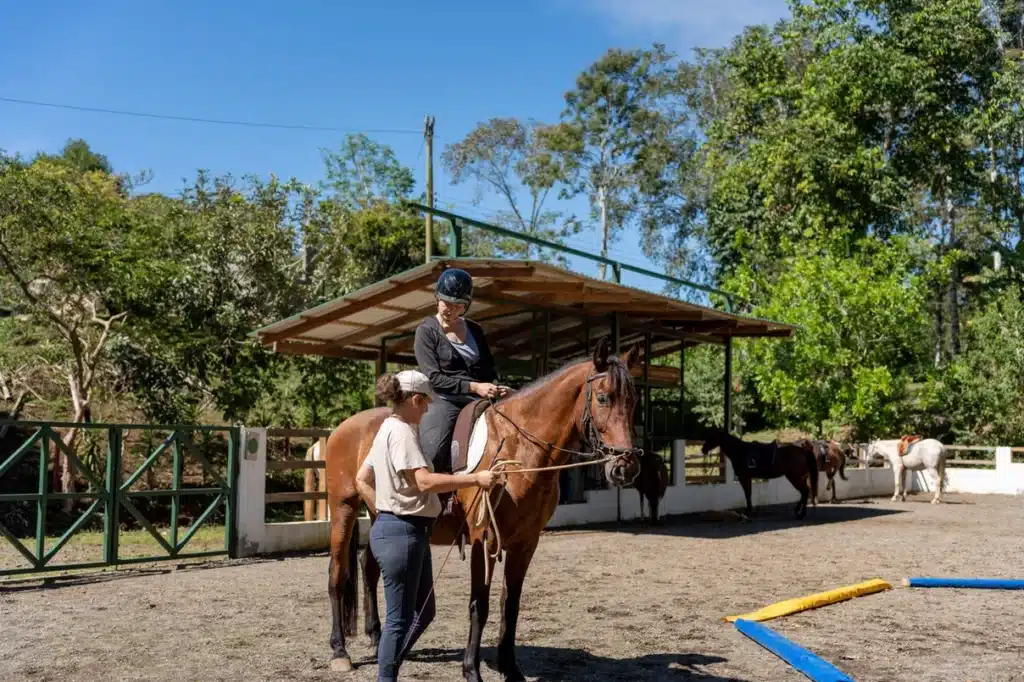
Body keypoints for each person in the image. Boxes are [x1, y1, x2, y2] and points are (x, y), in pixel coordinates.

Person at [355, 369, 503, 682]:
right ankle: (386, 675)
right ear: (414, 399)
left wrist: (383, 511)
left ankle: (389, 665)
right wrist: (476, 478)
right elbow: (423, 481)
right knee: (398, 621)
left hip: (400, 530)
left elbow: (362, 479)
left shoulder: (386, 428)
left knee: (424, 612)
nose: (427, 410)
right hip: (403, 535)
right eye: (425, 404)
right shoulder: (403, 433)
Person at [413, 268, 511, 476]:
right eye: (446, 302)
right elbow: (435, 378)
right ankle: (426, 495)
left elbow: (488, 368)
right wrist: (474, 386)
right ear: (437, 297)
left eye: (458, 305)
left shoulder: (475, 330)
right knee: (435, 450)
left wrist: (496, 386)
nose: (451, 309)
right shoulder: (426, 331)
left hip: (479, 398)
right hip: (445, 399)